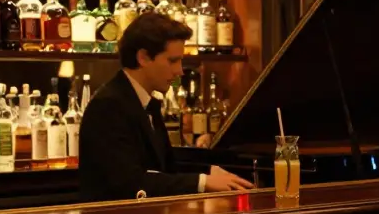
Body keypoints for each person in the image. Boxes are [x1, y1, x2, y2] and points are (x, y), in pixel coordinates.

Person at [79, 12, 252, 202]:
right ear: (143, 57)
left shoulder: (143, 102)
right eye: (172, 60)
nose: (179, 71)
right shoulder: (108, 107)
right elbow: (129, 183)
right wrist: (202, 182)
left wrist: (208, 170)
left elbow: (165, 166)